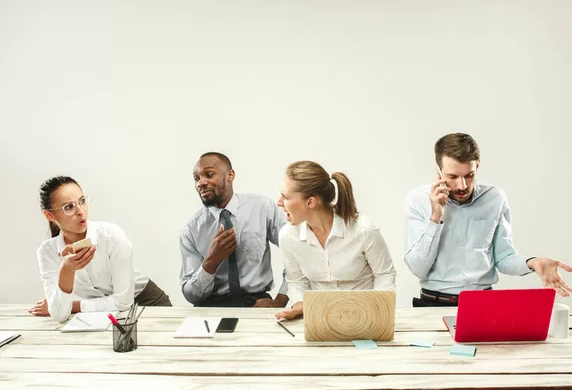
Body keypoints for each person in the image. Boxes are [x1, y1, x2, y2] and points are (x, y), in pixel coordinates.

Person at [404, 133, 572, 307]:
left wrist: (532, 262)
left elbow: (504, 257)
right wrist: (436, 218)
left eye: (469, 175)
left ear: (477, 165)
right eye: (453, 177)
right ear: (438, 172)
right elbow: (418, 268)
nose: (462, 186)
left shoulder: (495, 198)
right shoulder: (418, 199)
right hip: (433, 304)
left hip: (483, 304)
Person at [30, 176, 171, 322]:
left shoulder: (112, 236)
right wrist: (67, 270)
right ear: (49, 215)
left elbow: (123, 302)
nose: (80, 211)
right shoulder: (47, 252)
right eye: (69, 207)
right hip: (106, 315)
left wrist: (72, 306)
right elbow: (59, 315)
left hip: (148, 303)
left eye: (82, 201)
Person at [274, 161, 396, 321]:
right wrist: (299, 305)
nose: (279, 202)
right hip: (319, 319)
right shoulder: (288, 236)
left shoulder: (363, 229)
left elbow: (385, 274)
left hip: (365, 318)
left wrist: (378, 311)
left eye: (286, 197)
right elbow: (296, 280)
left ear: (310, 202)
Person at [179, 152, 289, 308]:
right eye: (196, 178)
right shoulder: (191, 229)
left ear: (230, 175)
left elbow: (297, 255)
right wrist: (211, 260)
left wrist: (281, 300)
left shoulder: (263, 208)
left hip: (256, 303)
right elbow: (191, 295)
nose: (201, 183)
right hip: (211, 307)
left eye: (209, 175)